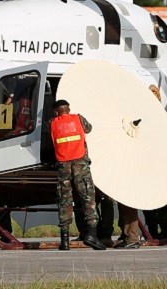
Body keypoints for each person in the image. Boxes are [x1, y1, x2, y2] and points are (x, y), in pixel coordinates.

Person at [47, 99, 106, 251]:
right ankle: (92, 235)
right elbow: (89, 128)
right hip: (80, 164)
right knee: (88, 198)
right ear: (68, 109)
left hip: (63, 167)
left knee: (64, 200)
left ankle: (64, 241)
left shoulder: (52, 123)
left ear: (56, 111)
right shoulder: (79, 119)